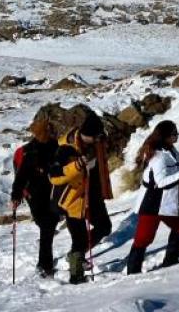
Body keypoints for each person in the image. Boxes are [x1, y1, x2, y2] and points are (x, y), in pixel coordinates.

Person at [48, 112, 114, 284]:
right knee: (78, 239)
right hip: (72, 201)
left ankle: (75, 255)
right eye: (98, 135)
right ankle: (76, 277)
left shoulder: (95, 143)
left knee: (104, 227)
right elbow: (54, 176)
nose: (101, 138)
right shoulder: (66, 148)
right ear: (89, 135)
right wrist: (76, 166)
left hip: (92, 194)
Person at [126, 120, 179, 274]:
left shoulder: (173, 152)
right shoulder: (158, 156)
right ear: (166, 137)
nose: (177, 136)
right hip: (152, 202)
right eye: (174, 133)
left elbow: (173, 172)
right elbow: (161, 182)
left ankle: (171, 263)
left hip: (167, 200)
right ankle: (132, 273)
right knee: (143, 239)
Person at [11, 117, 61, 279]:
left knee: (49, 226)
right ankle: (44, 265)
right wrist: (16, 195)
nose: (53, 132)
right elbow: (21, 176)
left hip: (52, 193)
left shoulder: (55, 146)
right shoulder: (31, 152)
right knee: (47, 225)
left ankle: (45, 263)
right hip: (35, 195)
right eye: (49, 130)